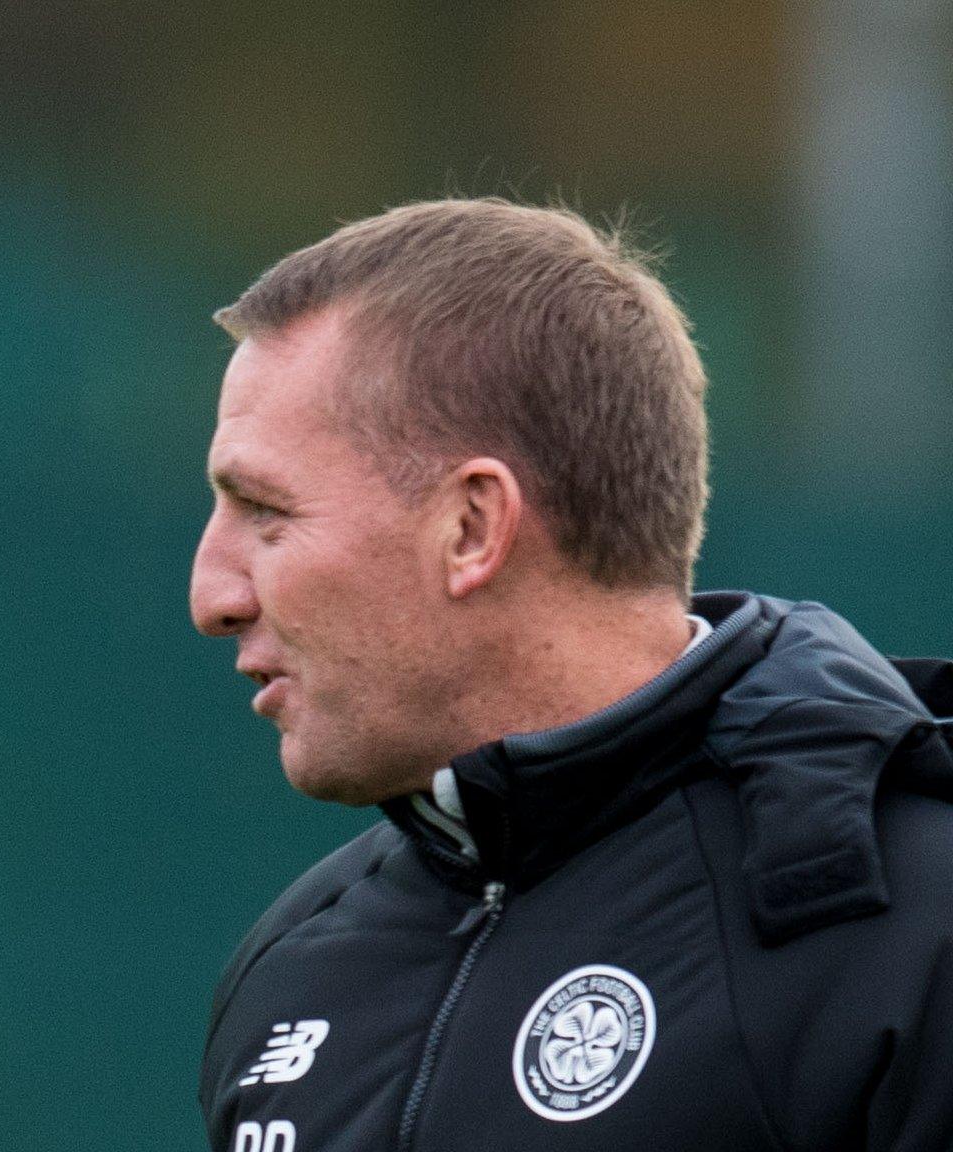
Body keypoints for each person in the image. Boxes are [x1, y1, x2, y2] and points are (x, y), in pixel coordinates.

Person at [189, 199, 953, 1151]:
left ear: (471, 527)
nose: (211, 593)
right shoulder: (297, 964)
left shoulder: (910, 920)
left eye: (266, 512)